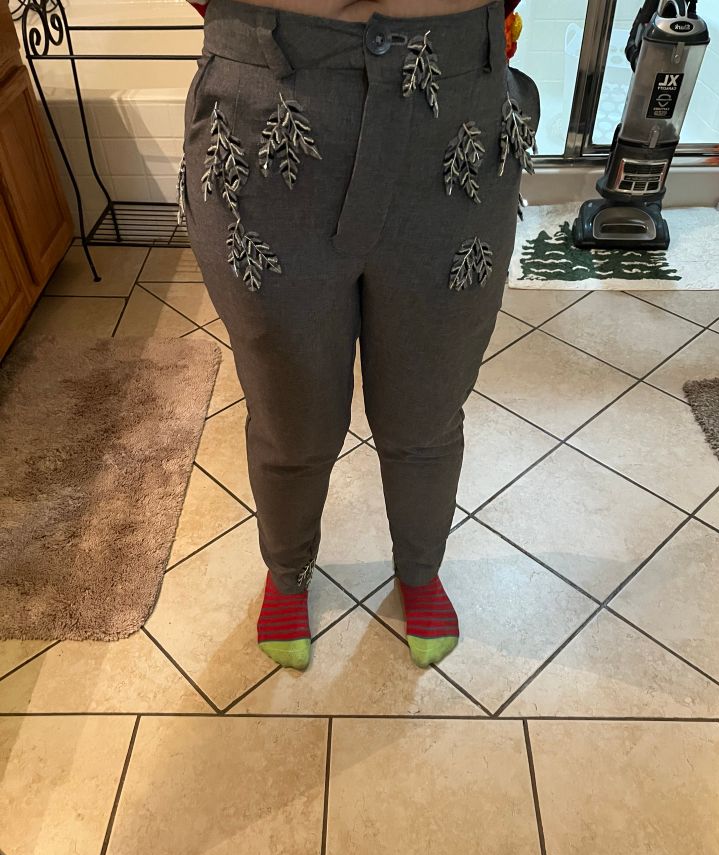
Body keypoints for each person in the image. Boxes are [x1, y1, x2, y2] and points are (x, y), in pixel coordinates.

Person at [179, 0, 538, 670]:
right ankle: (288, 574)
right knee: (289, 410)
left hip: (456, 108)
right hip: (262, 115)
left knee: (428, 404)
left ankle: (420, 570)